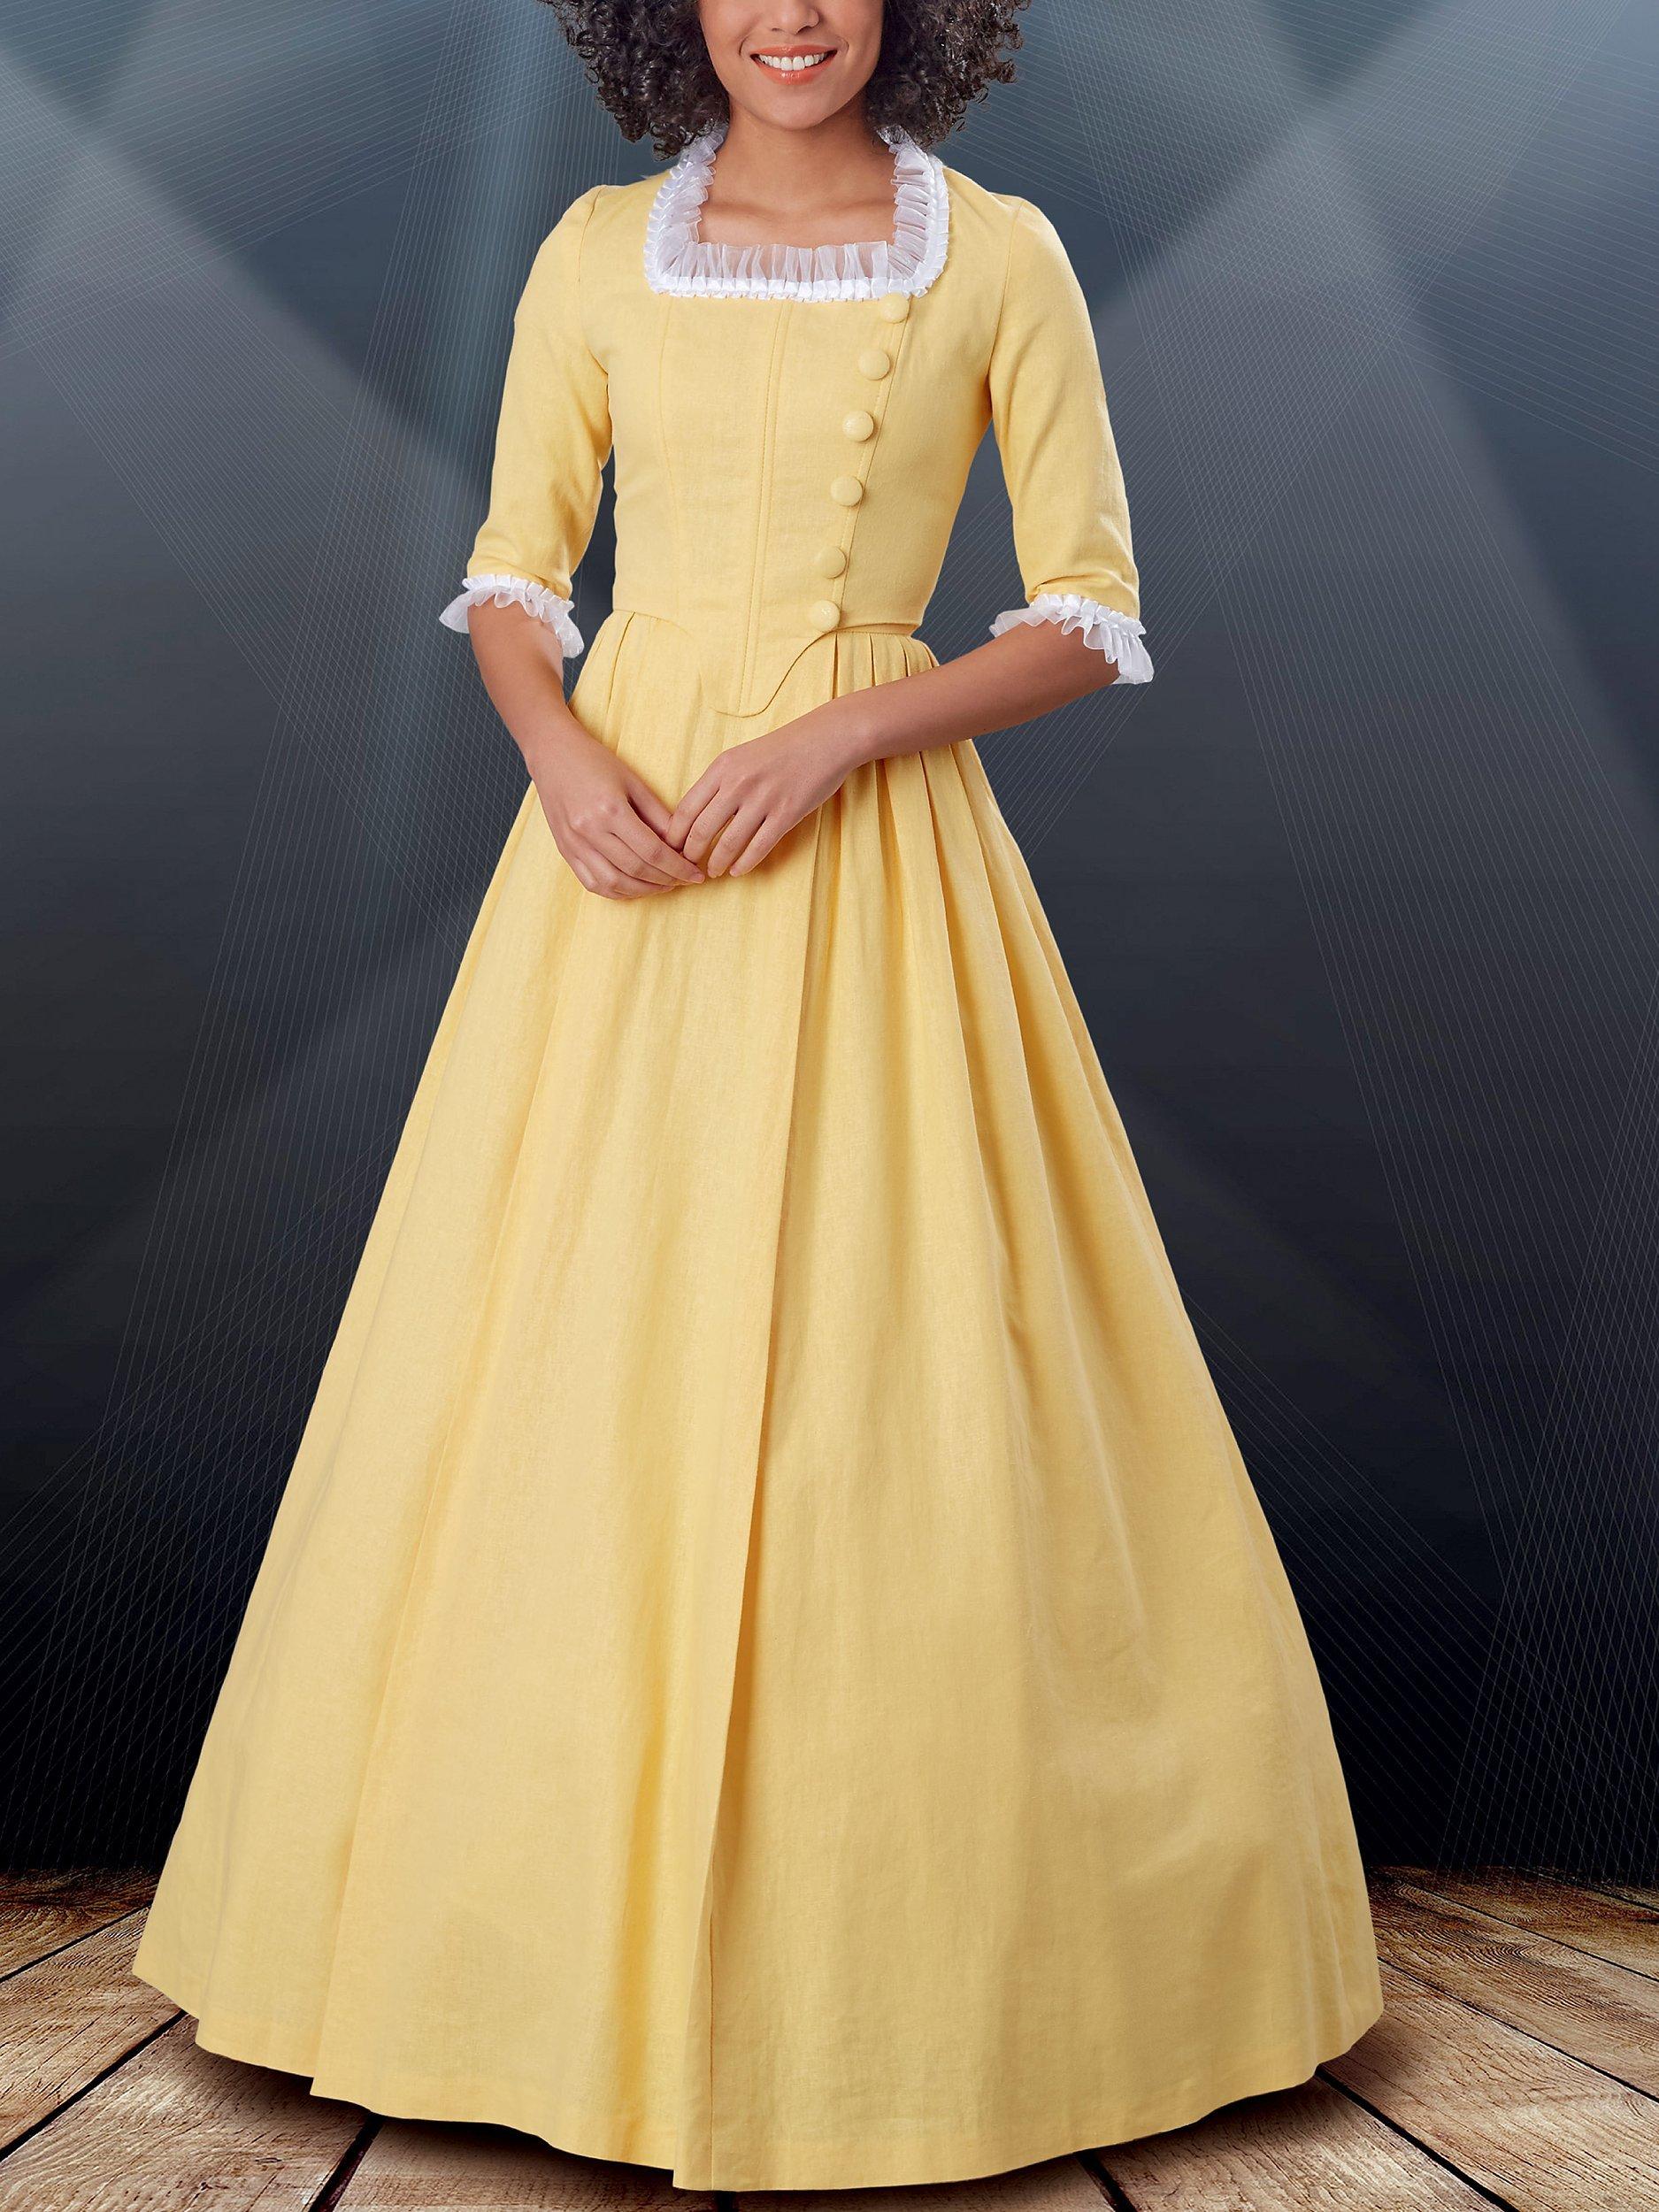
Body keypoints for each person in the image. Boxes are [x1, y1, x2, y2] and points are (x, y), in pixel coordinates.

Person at [133, 0, 1384, 2189]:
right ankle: (494, 1968)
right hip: (619, 855)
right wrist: (557, 758)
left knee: (897, 1362)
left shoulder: (996, 252)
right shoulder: (589, 251)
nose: (787, 13)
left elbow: (1085, 607)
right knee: (562, 1348)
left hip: (871, 854)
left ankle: (903, 1989)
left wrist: (842, 726)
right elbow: (516, 570)